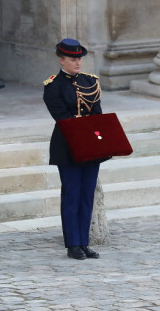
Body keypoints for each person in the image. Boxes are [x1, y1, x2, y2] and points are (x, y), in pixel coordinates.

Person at [43, 38, 105, 260]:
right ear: (61, 59)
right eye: (72, 59)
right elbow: (63, 118)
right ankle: (73, 244)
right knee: (72, 194)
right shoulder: (53, 86)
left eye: (79, 58)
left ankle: (84, 242)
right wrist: (87, 133)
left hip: (90, 147)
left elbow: (97, 113)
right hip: (67, 146)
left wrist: (99, 138)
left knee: (87, 195)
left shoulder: (90, 82)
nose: (77, 63)